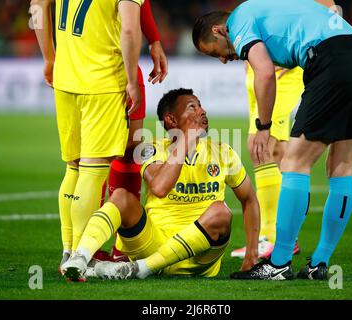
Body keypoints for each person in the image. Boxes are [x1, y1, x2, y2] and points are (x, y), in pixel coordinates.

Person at [192, 0, 352, 280]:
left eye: (214, 52)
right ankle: (319, 263)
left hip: (332, 63)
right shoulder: (266, 12)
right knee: (341, 166)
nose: (222, 59)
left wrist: (263, 127)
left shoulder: (239, 20)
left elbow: (265, 73)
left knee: (293, 163)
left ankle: (278, 263)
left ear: (220, 30)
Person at [61, 88, 260, 281]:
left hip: (200, 257)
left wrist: (252, 253)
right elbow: (160, 187)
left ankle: (141, 269)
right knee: (121, 196)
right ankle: (80, 258)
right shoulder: (151, 148)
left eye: (200, 106)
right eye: (192, 107)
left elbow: (249, 199)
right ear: (171, 120)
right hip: (152, 244)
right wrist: (186, 140)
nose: (202, 111)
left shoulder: (222, 152)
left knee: (221, 212)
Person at [31, 0, 151, 270]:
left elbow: (37, 6)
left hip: (65, 79)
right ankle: (79, 255)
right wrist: (132, 80)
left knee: (73, 168)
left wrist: (50, 57)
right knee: (92, 171)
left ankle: (68, 249)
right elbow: (131, 30)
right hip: (103, 81)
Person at [230, 0, 336, 262]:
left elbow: (330, 12)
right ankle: (281, 235)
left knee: (264, 146)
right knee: (269, 151)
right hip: (257, 67)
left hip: (283, 70)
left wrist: (292, 53)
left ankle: (273, 237)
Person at [101, 0, 168, 263]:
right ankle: (112, 248)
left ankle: (81, 249)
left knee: (86, 163)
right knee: (119, 154)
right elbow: (130, 26)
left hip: (76, 70)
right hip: (114, 67)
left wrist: (154, 40)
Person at [230, 63, 303, 260]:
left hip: (279, 74)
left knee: (259, 147)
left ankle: (270, 238)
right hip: (257, 71)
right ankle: (286, 238)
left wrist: (292, 56)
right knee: (277, 152)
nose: (221, 60)